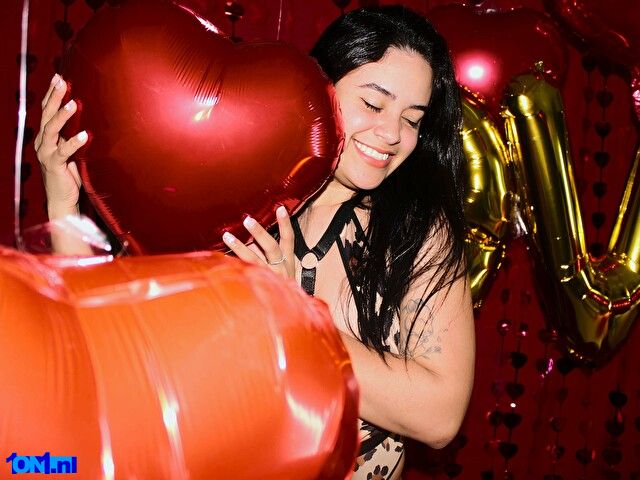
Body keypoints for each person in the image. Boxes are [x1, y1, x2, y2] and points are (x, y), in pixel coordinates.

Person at [37, 5, 474, 479]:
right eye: (373, 104)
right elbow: (103, 354)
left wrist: (294, 317)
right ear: (320, 84)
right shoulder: (230, 191)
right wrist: (63, 205)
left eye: (413, 120)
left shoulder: (416, 230)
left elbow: (440, 417)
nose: (392, 134)